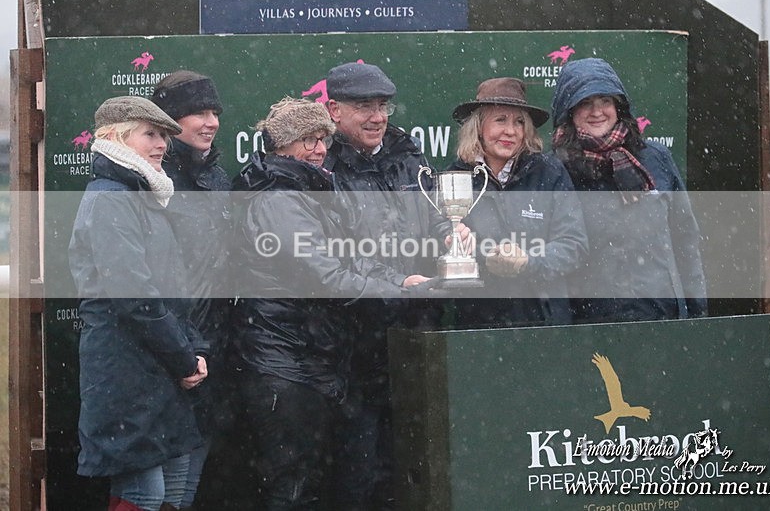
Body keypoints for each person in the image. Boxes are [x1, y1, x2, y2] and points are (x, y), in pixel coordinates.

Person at [230, 97, 429, 509]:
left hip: (308, 362)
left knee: (311, 484)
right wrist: (396, 291)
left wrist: (399, 278)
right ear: (280, 146)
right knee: (293, 488)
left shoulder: (307, 192)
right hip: (283, 365)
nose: (319, 149)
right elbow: (327, 276)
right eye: (307, 140)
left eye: (322, 138)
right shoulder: (277, 200)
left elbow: (347, 256)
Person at [68, 96, 209, 511]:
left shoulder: (143, 195)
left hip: (160, 373)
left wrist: (193, 351)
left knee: (177, 490)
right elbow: (135, 296)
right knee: (145, 495)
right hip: (126, 376)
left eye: (164, 135)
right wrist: (184, 358)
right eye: (150, 134)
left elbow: (171, 294)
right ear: (116, 138)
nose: (162, 144)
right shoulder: (112, 198)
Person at [322, 61, 451, 509]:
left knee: (416, 463)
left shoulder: (408, 155)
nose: (377, 116)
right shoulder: (323, 167)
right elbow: (336, 254)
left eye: (382, 106)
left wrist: (452, 234)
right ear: (334, 109)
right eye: (364, 107)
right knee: (359, 471)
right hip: (353, 342)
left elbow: (437, 216)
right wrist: (397, 280)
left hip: (418, 334)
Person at [549, 57, 707, 322]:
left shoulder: (655, 158)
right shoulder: (555, 170)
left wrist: (697, 311)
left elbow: (685, 240)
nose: (597, 111)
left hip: (662, 318)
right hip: (590, 327)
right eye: (585, 102)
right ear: (569, 111)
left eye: (605, 101)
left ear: (619, 107)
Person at [447, 77, 589, 327]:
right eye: (500, 120)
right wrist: (485, 257)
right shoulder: (455, 178)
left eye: (519, 122)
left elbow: (573, 245)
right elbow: (443, 241)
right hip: (479, 326)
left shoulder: (549, 172)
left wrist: (528, 261)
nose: (510, 131)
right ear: (478, 126)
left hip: (546, 323)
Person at [151, 70, 231, 511]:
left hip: (213, 350)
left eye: (214, 112)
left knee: (189, 479)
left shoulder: (218, 177)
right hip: (171, 351)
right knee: (155, 488)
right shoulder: (155, 181)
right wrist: (179, 350)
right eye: (198, 112)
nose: (210, 121)